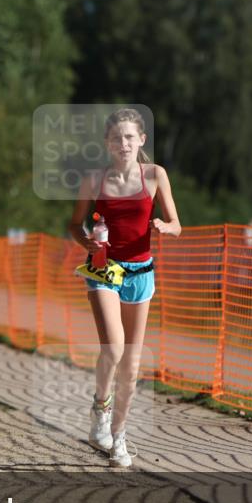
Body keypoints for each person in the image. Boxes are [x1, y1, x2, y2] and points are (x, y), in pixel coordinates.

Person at [68, 108, 181, 468]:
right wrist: (85, 241)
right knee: (114, 349)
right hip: (105, 270)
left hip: (142, 273)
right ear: (107, 143)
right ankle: (100, 409)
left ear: (141, 141)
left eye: (130, 137)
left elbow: (178, 224)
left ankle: (118, 437)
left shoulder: (155, 175)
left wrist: (165, 225)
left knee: (131, 365)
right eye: (117, 138)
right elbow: (74, 224)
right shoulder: (94, 180)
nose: (124, 143)